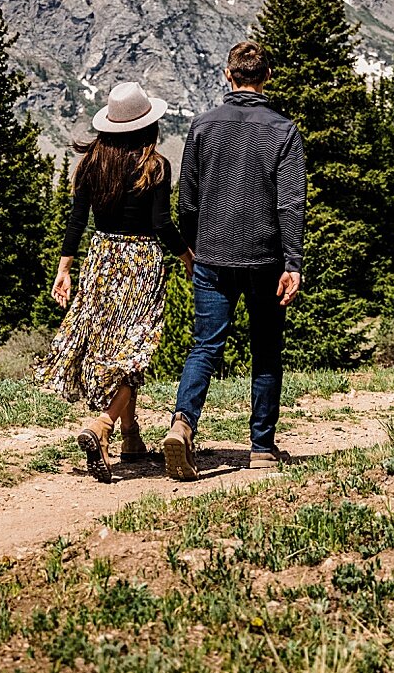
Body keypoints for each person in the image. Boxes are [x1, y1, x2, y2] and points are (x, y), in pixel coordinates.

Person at [36, 81, 194, 483]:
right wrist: (188, 258)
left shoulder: (91, 163)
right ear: (147, 126)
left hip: (102, 261)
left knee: (111, 351)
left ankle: (130, 437)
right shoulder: (154, 165)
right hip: (141, 264)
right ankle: (102, 425)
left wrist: (65, 268)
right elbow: (161, 225)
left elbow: (76, 222)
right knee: (133, 356)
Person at [162, 40, 305, 480]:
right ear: (267, 77)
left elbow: (186, 199)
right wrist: (293, 262)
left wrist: (192, 247)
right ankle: (261, 448)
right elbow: (291, 204)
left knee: (205, 346)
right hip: (264, 258)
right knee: (265, 350)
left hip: (213, 255)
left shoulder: (203, 127)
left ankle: (183, 423)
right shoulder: (283, 130)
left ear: (228, 75)